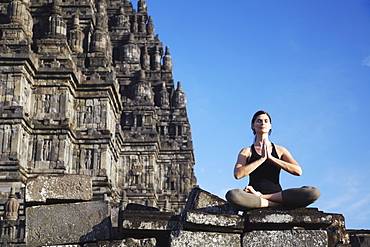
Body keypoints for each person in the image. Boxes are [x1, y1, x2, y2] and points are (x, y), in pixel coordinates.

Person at [225, 110, 320, 210]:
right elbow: (238, 174)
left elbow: (298, 171)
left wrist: (271, 158)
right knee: (233, 195)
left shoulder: (280, 150)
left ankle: (267, 199)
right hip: (253, 196)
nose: (262, 123)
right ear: (253, 125)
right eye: (259, 121)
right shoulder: (246, 151)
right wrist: (261, 159)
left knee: (313, 192)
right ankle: (273, 204)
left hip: (278, 195)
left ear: (270, 125)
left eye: (266, 121)